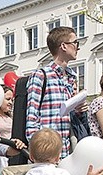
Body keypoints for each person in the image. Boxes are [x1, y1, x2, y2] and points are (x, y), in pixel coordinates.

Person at [25, 26, 83, 159]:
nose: (77, 47)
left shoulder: (71, 77)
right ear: (63, 46)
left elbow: (67, 115)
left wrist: (78, 109)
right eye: (75, 43)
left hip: (67, 152)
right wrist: (39, 153)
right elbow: (31, 118)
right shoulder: (41, 75)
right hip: (47, 155)